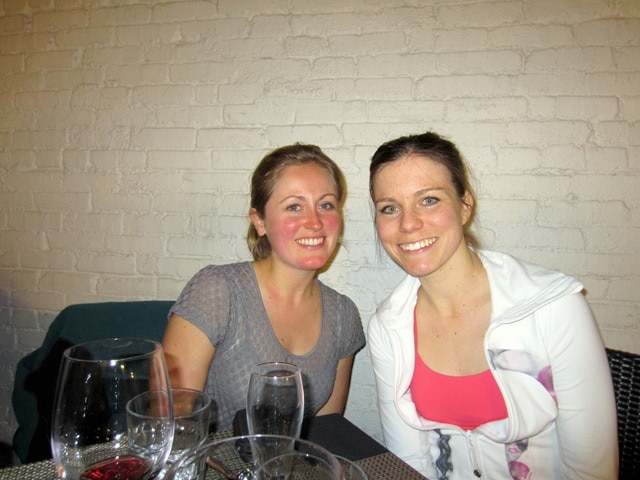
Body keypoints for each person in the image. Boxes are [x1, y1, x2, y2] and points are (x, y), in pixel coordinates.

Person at [367, 131, 618, 479]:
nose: (408, 223)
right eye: (390, 208)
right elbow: (410, 463)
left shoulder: (554, 307)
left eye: (429, 200)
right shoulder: (388, 326)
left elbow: (592, 471)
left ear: (464, 206)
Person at [163, 144, 365, 432]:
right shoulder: (218, 291)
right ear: (260, 221)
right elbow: (171, 421)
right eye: (294, 207)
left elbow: (326, 431)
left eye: (326, 205)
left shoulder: (344, 315)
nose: (315, 222)